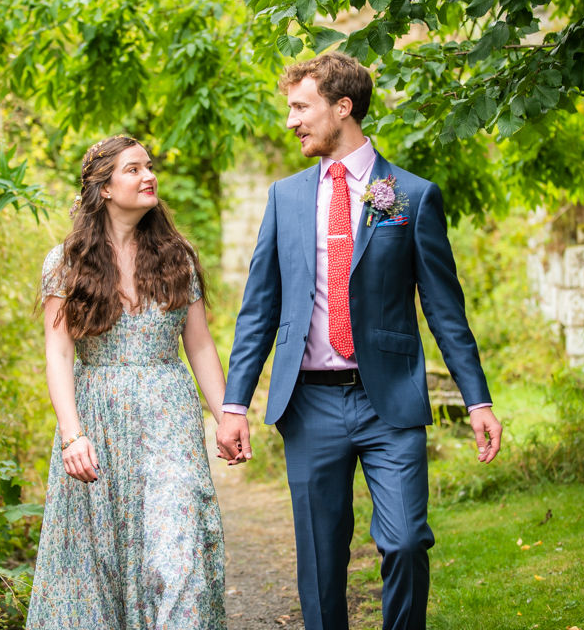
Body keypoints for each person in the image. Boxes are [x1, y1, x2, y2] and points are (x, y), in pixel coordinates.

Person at [215, 53, 502, 630]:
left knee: (406, 542)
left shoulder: (411, 196)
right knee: (321, 562)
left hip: (389, 400)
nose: (291, 121)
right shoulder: (285, 198)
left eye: (301, 108)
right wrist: (234, 404)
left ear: (342, 107)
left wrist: (478, 400)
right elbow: (258, 309)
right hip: (309, 403)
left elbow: (445, 310)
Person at [28, 135, 227, 630]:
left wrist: (226, 416)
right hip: (98, 419)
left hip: (168, 418)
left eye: (149, 166)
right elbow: (59, 352)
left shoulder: (178, 256)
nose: (149, 176)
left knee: (178, 547)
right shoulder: (66, 262)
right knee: (98, 561)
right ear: (104, 188)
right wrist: (72, 435)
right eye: (134, 169)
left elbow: (200, 345)